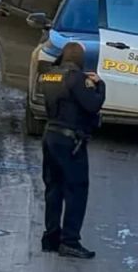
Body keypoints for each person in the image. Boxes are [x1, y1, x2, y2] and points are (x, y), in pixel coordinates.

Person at [38, 41, 105, 259]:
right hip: (70, 141)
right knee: (76, 190)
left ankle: (51, 237)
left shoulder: (49, 75)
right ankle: (70, 241)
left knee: (53, 188)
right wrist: (100, 84)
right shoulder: (77, 79)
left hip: (50, 136)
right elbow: (93, 104)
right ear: (79, 59)